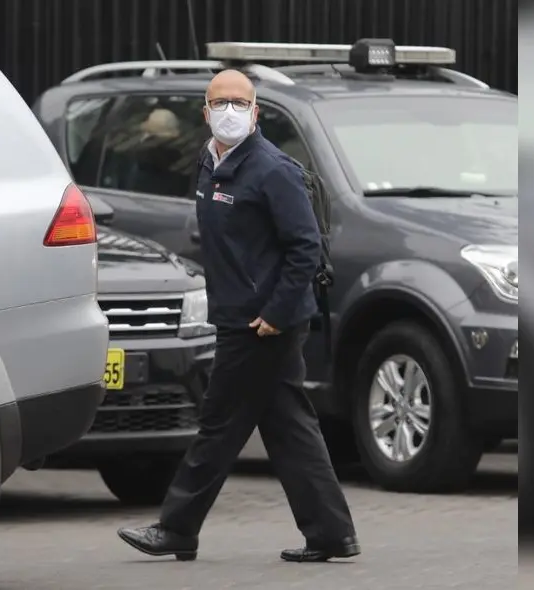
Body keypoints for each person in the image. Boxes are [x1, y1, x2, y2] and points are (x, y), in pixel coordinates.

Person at [116, 69, 359, 563]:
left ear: (256, 111)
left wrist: (275, 312)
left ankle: (177, 527)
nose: (230, 110)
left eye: (240, 102)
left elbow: (304, 248)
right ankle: (332, 533)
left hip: (261, 325)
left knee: (219, 424)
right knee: (290, 428)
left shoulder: (272, 169)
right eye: (220, 102)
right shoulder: (210, 164)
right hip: (238, 316)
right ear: (204, 112)